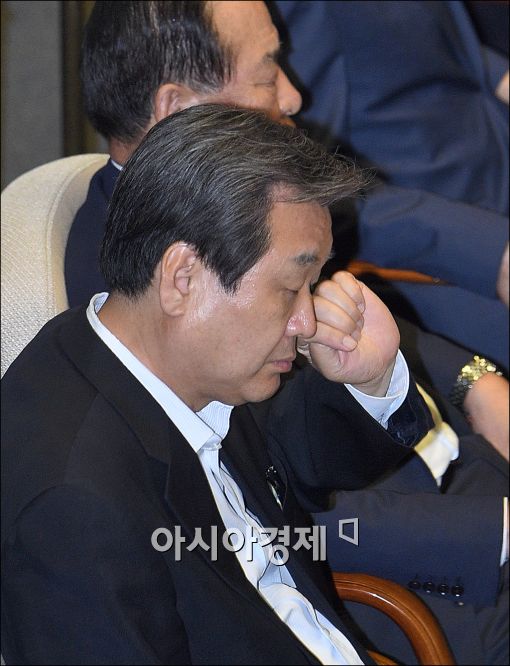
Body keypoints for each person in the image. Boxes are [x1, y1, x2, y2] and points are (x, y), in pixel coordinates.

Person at [60, 2, 508, 662]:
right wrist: (491, 532)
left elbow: (350, 300)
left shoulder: (237, 196)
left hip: (446, 465)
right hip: (394, 580)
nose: (294, 97)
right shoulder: (137, 291)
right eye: (269, 72)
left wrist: (473, 381)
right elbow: (255, 519)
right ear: (177, 107)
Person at [1, 103, 432, 664]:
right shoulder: (75, 511)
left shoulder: (154, 355)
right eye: (290, 288)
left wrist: (370, 377)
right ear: (183, 277)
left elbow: (285, 459)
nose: (307, 323)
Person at [273, 0, 509, 370]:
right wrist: (491, 252)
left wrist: (499, 75)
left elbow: (426, 38)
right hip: (437, 252)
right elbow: (315, 184)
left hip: (493, 146)